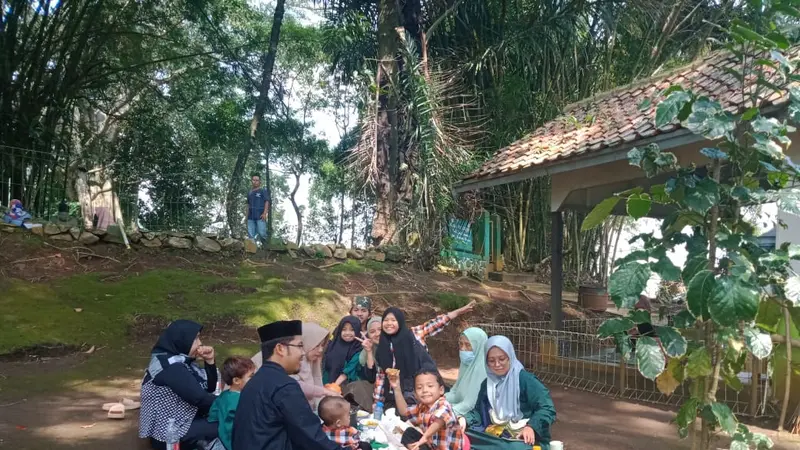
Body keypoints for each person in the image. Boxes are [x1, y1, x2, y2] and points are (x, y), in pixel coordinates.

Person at [232, 320, 343, 450]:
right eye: (299, 346)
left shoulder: (257, 380)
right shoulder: (284, 387)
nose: (302, 352)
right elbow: (311, 436)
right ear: (280, 349)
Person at [463, 336, 556, 450]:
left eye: (502, 359)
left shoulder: (525, 380)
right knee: (462, 436)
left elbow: (547, 408)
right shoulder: (487, 384)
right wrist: (464, 419)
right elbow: (478, 411)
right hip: (496, 436)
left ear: (510, 357)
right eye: (491, 361)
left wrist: (531, 427)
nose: (497, 364)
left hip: (523, 438)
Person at [138, 320, 219, 450]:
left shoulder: (179, 360)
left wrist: (209, 361)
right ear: (182, 340)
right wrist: (234, 402)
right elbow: (200, 398)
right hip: (170, 434)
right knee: (231, 423)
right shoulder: (170, 367)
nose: (200, 343)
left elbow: (210, 388)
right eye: (196, 339)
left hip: (184, 421)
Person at [251, 322, 339, 408]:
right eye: (317, 345)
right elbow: (293, 385)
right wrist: (324, 391)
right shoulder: (285, 362)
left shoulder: (310, 359)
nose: (320, 350)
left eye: (323, 345)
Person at [373, 308, 439, 411]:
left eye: (393, 320)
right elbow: (381, 376)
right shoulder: (382, 346)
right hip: (392, 393)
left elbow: (432, 325)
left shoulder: (411, 337)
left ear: (400, 321)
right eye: (386, 320)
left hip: (414, 390)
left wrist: (456, 313)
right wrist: (377, 402)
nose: (389, 323)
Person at [391, 369, 465, 450]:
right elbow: (404, 411)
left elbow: (440, 420)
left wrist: (425, 436)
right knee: (409, 433)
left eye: (430, 386)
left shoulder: (443, 404)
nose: (425, 390)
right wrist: (396, 388)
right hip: (432, 446)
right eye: (419, 387)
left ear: (441, 390)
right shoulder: (421, 408)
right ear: (415, 395)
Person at [209, 356, 256, 450]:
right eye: (251, 376)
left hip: (222, 440)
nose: (256, 379)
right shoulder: (243, 400)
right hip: (237, 443)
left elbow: (212, 415)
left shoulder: (223, 396)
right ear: (237, 381)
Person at [445, 328, 488, 417]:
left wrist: (444, 413)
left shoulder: (482, 368)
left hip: (474, 414)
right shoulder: (466, 364)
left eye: (468, 345)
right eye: (461, 344)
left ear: (479, 346)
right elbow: (456, 395)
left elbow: (469, 404)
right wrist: (438, 400)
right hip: (461, 408)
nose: (463, 349)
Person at [323, 316, 363, 386]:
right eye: (344, 329)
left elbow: (347, 372)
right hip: (324, 380)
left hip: (342, 385)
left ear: (357, 331)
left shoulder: (358, 350)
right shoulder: (332, 344)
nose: (347, 333)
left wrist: (334, 387)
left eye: (352, 330)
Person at [245, 174, 270, 245]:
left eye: (257, 180)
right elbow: (248, 204)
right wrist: (246, 216)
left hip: (260, 215)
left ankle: (266, 248)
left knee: (262, 233)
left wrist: (265, 213)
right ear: (251, 181)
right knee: (251, 235)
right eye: (253, 180)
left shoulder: (263, 191)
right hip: (250, 216)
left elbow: (267, 201)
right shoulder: (249, 193)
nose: (255, 182)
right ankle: (252, 251)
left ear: (260, 182)